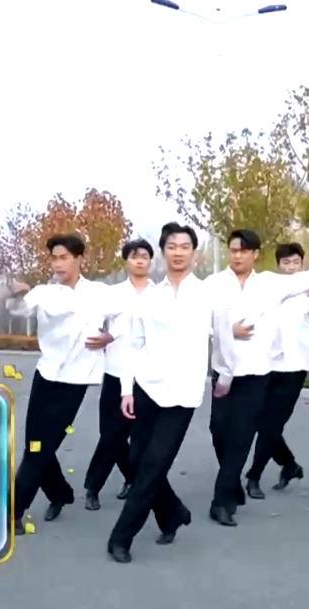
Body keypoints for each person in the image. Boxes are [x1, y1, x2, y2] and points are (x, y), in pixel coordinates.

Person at [207, 229, 309, 526]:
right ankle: (231, 483)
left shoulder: (271, 285)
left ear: (255, 254)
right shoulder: (213, 285)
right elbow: (195, 320)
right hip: (224, 373)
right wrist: (226, 330)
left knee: (242, 436)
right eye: (233, 250)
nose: (237, 256)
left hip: (257, 374)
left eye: (244, 251)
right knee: (218, 431)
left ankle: (222, 500)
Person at [106, 222, 224, 563]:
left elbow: (222, 336)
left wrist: (226, 374)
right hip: (147, 388)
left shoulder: (206, 294)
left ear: (194, 253)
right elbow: (133, 345)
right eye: (171, 246)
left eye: (184, 246)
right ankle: (172, 513)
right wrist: (126, 389)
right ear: (163, 251)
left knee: (153, 464)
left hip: (183, 394)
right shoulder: (150, 297)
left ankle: (121, 538)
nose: (177, 252)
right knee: (137, 461)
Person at [7, 234, 121, 535]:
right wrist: (17, 294)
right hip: (46, 374)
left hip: (76, 380)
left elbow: (127, 315)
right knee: (36, 443)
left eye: (64, 258)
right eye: (54, 258)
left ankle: (12, 512)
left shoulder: (99, 293)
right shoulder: (44, 293)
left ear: (78, 259)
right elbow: (20, 309)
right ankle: (60, 492)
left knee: (40, 448)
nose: (58, 264)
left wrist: (111, 336)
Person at [242, 242, 309, 498]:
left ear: (302, 264)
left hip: (296, 367)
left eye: (295, 262)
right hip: (268, 365)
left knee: (272, 424)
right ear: (279, 266)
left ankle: (253, 476)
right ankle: (289, 464)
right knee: (258, 419)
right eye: (286, 263)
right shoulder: (269, 291)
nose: (291, 267)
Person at [84, 239, 153, 511]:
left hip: (146, 376)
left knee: (140, 436)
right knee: (111, 434)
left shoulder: (159, 295)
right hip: (115, 372)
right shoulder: (114, 294)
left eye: (144, 256)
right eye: (134, 256)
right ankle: (94, 487)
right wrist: (101, 335)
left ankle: (131, 481)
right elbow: (95, 320)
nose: (140, 260)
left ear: (150, 261)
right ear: (127, 261)